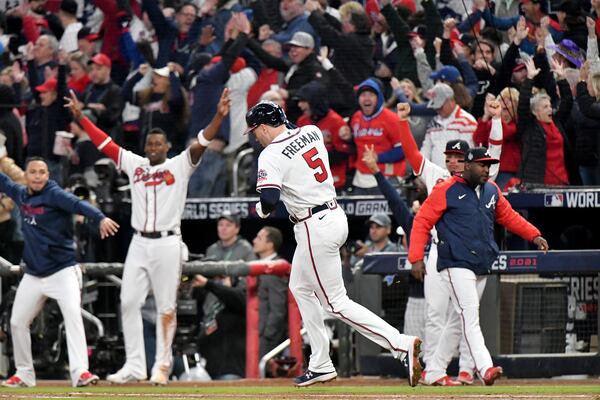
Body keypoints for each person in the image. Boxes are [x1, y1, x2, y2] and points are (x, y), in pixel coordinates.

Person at [245, 101, 422, 387]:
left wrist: (261, 211)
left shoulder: (270, 154)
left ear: (264, 127)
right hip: (333, 215)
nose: (255, 137)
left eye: (255, 131)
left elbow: (269, 200)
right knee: (299, 287)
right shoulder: (312, 131)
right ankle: (321, 362)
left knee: (336, 303)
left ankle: (400, 344)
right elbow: (293, 138)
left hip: (314, 224)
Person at [64, 88, 231, 385]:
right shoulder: (135, 165)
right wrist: (81, 118)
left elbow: (203, 141)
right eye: (149, 143)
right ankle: (134, 365)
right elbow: (105, 143)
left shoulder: (179, 164)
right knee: (128, 302)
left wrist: (218, 116)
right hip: (139, 242)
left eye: (158, 143)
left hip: (168, 242)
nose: (153, 147)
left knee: (166, 307)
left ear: (167, 146)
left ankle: (162, 367)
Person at [408, 147, 549, 386]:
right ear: (468, 166)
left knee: (457, 320)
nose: (487, 169)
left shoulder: (491, 190)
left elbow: (509, 216)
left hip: (480, 263)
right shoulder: (446, 189)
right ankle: (485, 368)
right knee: (470, 315)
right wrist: (416, 258)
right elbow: (422, 220)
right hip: (455, 262)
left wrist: (533, 234)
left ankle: (433, 370)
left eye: (489, 165)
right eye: (482, 165)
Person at [396, 102, 503, 385]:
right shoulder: (436, 175)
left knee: (466, 313)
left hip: (469, 252)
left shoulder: (479, 180)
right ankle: (435, 370)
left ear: (467, 160)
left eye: (458, 157)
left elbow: (496, 152)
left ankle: (468, 369)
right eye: (449, 157)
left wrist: (495, 120)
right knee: (436, 314)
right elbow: (412, 154)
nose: (452, 161)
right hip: (438, 250)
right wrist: (404, 123)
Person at [0, 157, 119, 388]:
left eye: (42, 172)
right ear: (25, 175)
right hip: (34, 274)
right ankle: (24, 373)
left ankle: (81, 372)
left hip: (62, 271)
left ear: (47, 175)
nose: (37, 176)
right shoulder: (21, 194)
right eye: (33, 172)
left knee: (73, 315)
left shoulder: (55, 194)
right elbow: (3, 181)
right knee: (17, 322)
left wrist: (101, 218)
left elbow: (78, 204)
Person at [252, 226, 288, 358]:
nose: (254, 241)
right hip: (253, 333)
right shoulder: (256, 265)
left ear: (270, 244)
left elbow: (278, 310)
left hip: (265, 338)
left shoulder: (276, 269)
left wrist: (267, 337)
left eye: (259, 238)